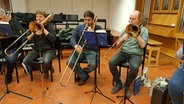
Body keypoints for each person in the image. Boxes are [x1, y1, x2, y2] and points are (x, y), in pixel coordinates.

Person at [108, 10, 148, 98]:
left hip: (136, 54)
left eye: (133, 19)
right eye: (130, 18)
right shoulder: (126, 28)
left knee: (134, 68)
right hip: (123, 52)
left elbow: (142, 45)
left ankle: (126, 85)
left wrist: (137, 34)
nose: (130, 21)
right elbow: (116, 45)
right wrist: (122, 39)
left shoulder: (144, 30)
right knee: (111, 62)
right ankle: (119, 83)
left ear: (139, 20)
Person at [66, 10, 102, 86]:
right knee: (69, 62)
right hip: (80, 49)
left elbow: (101, 42)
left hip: (92, 50)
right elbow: (73, 38)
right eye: (85, 20)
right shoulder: (79, 27)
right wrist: (75, 45)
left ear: (93, 20)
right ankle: (84, 76)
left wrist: (93, 34)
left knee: (93, 65)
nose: (87, 22)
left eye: (89, 20)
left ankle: (82, 74)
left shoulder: (98, 28)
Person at [22, 10, 56, 79]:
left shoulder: (50, 27)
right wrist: (32, 34)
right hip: (36, 49)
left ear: (45, 18)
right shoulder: (33, 26)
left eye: (41, 17)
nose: (38, 18)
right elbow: (25, 40)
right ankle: (46, 67)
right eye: (37, 16)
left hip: (48, 50)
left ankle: (46, 70)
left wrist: (44, 29)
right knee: (26, 61)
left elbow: (53, 39)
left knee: (46, 61)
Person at [0, 8, 25, 84]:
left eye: (0, 18)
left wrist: (10, 33)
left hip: (11, 47)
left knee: (11, 60)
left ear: (6, 17)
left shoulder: (13, 22)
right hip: (0, 48)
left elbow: (23, 32)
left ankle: (9, 75)